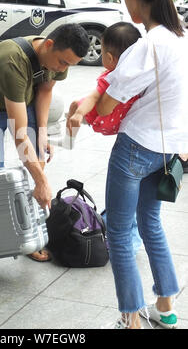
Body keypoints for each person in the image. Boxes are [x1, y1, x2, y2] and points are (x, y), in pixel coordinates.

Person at [94, 0, 188, 329]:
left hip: (136, 148)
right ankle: (165, 310)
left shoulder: (149, 43)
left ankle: (130, 319)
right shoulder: (181, 40)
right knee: (151, 224)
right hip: (169, 150)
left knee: (119, 233)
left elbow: (106, 104)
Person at [0, 24, 90, 262]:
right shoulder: (12, 59)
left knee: (38, 157)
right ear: (48, 45)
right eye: (63, 62)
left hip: (24, 100)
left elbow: (45, 90)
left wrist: (43, 132)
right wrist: (42, 182)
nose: (63, 68)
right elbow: (19, 134)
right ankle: (2, 231)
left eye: (70, 65)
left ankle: (30, 232)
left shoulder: (58, 57)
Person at [65, 22, 143, 255]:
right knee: (136, 198)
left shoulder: (111, 76)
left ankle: (70, 131)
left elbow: (94, 97)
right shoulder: (143, 72)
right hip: (125, 125)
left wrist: (78, 114)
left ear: (109, 56)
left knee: (77, 105)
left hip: (105, 119)